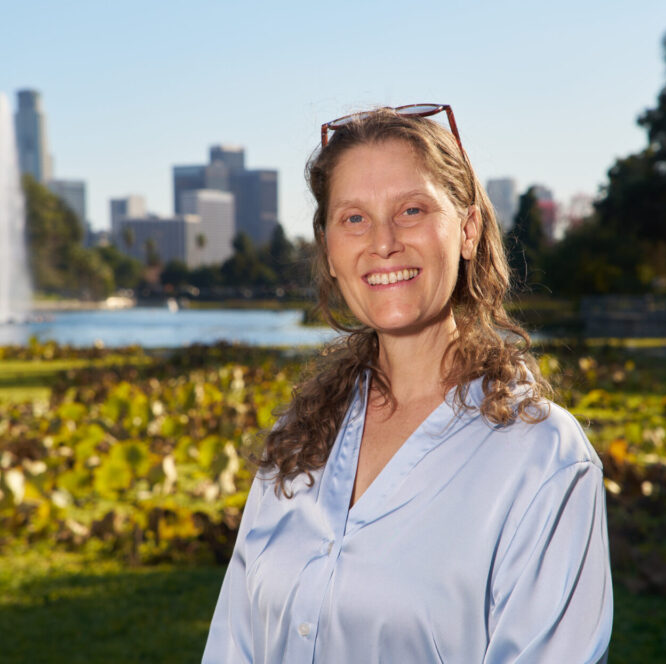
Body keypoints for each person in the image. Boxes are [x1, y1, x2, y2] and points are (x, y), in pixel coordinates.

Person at [202, 104, 613, 663]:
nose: (383, 242)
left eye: (412, 210)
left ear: (467, 231)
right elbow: (234, 645)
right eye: (354, 218)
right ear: (328, 249)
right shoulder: (296, 440)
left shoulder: (542, 458)